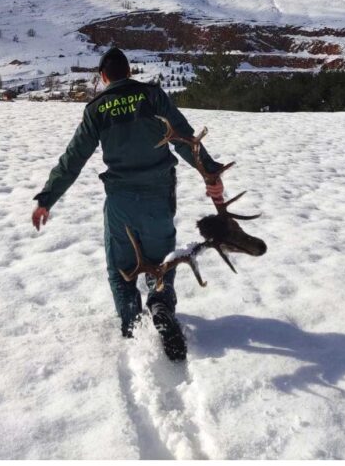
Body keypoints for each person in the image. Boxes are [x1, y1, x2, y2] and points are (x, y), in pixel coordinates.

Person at [31, 47, 225, 361]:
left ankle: (133, 325)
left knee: (120, 268)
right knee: (161, 260)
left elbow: (73, 159)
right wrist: (211, 174)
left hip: (121, 200)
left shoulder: (97, 108)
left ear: (103, 77)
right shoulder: (153, 97)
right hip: (158, 196)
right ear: (129, 72)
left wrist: (46, 199)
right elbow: (185, 140)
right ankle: (161, 306)